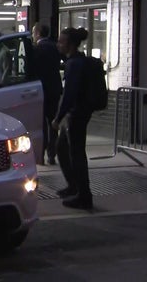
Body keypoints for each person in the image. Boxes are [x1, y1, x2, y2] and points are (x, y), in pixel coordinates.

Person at [51, 27, 93, 210]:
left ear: (70, 45)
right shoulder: (76, 61)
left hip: (77, 113)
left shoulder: (73, 64)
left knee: (76, 154)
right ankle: (73, 186)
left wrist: (57, 118)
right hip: (77, 112)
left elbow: (69, 94)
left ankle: (84, 196)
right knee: (61, 148)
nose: (58, 44)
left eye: (61, 41)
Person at [32, 23, 62, 166]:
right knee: (53, 123)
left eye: (33, 32)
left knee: (41, 123)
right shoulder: (56, 47)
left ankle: (41, 155)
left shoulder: (37, 48)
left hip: (40, 89)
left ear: (38, 33)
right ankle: (52, 155)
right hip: (55, 89)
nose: (32, 35)